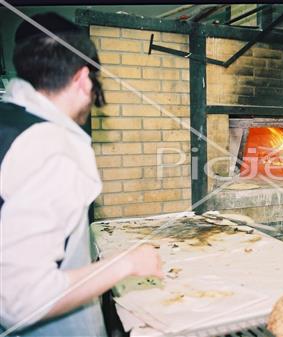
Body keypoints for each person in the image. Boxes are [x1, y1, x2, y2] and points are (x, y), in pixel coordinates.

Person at [0, 13, 163, 336]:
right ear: (83, 78)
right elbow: (20, 299)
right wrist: (127, 263)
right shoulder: (49, 145)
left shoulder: (9, 123)